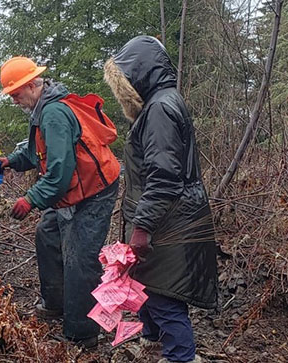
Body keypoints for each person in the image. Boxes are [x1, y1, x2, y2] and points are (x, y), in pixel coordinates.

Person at [103, 35, 217, 363]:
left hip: (168, 222)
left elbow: (165, 176)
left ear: (140, 73)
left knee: (165, 298)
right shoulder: (162, 103)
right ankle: (153, 344)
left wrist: (142, 227)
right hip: (168, 218)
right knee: (148, 290)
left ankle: (181, 357)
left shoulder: (160, 110)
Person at [0, 56, 120, 348]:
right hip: (74, 187)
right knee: (48, 233)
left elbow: (59, 175)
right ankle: (55, 304)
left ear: (32, 85)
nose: (15, 100)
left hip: (95, 190)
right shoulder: (42, 110)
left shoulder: (53, 113)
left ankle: (82, 333)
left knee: (80, 257)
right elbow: (38, 151)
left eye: (16, 94)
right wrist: (11, 160)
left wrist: (30, 200)